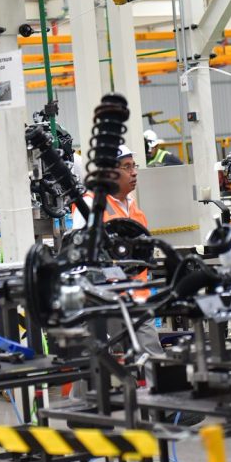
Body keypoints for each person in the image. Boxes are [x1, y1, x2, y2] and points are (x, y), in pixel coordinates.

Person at [71, 145, 163, 356]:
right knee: (111, 361)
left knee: (152, 357)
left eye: (134, 166)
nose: (134, 172)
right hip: (107, 301)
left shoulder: (133, 206)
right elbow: (78, 256)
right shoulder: (90, 205)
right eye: (127, 167)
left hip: (138, 298)